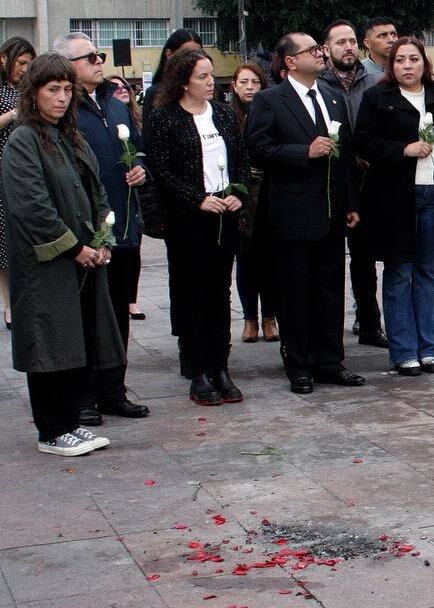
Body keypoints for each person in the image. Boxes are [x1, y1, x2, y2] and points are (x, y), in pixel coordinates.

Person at [1, 53, 121, 456]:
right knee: (49, 343)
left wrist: (102, 241)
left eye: (68, 90)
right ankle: (51, 430)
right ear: (32, 93)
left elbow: (97, 191)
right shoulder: (24, 139)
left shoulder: (70, 136)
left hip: (81, 259)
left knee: (76, 340)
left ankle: (69, 422)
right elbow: (32, 207)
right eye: (53, 90)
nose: (62, 98)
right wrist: (75, 247)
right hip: (45, 264)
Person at [246, 32, 364, 394]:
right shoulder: (270, 100)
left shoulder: (331, 96)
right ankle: (298, 363)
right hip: (292, 211)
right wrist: (303, 152)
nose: (320, 53)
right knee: (295, 290)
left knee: (330, 289)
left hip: (330, 211)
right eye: (312, 50)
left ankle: (329, 359)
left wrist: (350, 203)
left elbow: (343, 154)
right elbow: (257, 148)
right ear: (291, 61)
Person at [55, 32, 151, 421]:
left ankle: (114, 389)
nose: (99, 60)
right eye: (89, 56)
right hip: (86, 229)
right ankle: (84, 396)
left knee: (117, 312)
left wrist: (141, 168)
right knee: (88, 313)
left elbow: (138, 145)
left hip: (123, 224)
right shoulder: (65, 110)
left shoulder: (114, 103)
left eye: (100, 54)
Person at [145, 50, 249, 406]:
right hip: (189, 220)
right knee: (193, 294)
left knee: (220, 293)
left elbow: (239, 159)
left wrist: (237, 193)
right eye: (203, 77)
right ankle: (198, 370)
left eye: (211, 76)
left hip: (224, 214)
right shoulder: (165, 117)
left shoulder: (221, 113)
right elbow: (162, 170)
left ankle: (220, 366)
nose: (210, 82)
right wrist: (196, 198)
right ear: (184, 81)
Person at [355, 37, 434, 376]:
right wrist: (402, 150)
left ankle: (428, 348)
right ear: (390, 66)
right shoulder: (377, 98)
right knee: (400, 272)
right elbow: (362, 142)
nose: (407, 66)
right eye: (400, 60)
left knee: (428, 272)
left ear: (424, 62)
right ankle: (403, 350)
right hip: (395, 197)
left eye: (413, 59)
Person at [319, 19, 386, 348]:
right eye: (339, 42)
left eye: (351, 41)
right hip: (330, 182)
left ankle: (371, 323)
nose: (347, 47)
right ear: (326, 48)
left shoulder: (374, 82)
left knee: (365, 257)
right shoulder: (318, 85)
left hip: (369, 182)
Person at [229, 62, 279, 345]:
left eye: (255, 82)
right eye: (244, 82)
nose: (249, 88)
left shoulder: (271, 109)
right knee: (246, 259)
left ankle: (270, 316)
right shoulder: (227, 115)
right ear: (234, 86)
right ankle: (250, 318)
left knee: (270, 259)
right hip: (242, 193)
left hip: (268, 191)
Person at [0, 36, 36, 330]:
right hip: (2, 167)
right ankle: (8, 305)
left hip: (25, 168)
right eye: (21, 63)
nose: (25, 69)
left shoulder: (27, 90)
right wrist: (12, 114)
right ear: (4, 59)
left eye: (29, 64)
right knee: (3, 240)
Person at [107, 74, 148, 324]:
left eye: (124, 86)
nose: (121, 90)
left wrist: (140, 167)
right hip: (112, 197)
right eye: (116, 87)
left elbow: (141, 149)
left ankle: (130, 300)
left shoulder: (132, 115)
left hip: (133, 199)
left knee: (133, 250)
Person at [141, 29, 203, 120]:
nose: (193, 59)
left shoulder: (212, 90)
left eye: (198, 54)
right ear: (169, 54)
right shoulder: (154, 94)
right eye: (187, 54)